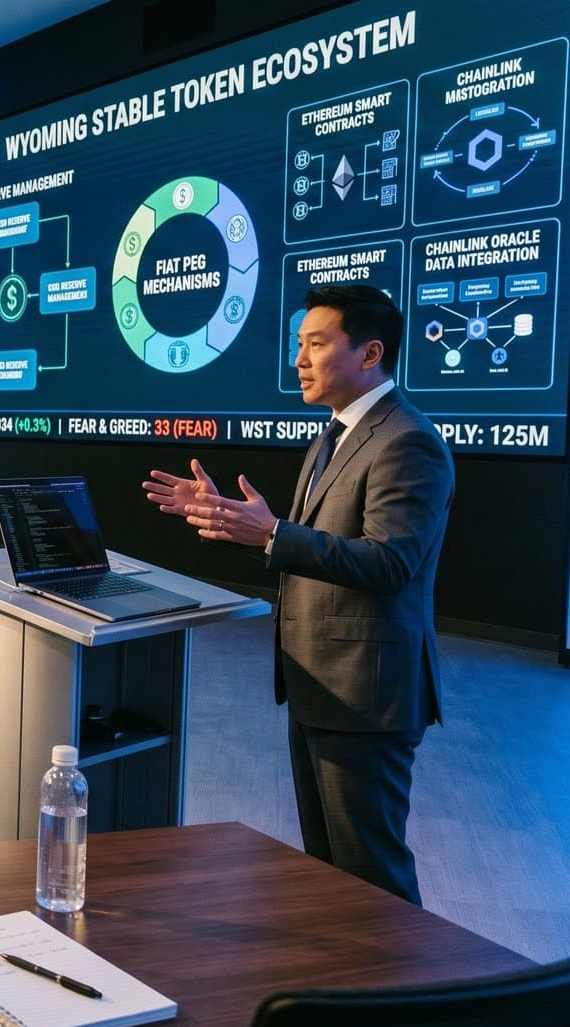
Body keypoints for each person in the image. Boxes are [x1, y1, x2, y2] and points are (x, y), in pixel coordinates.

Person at [142, 285, 453, 905]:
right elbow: (313, 543)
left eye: (315, 344)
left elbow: (391, 563)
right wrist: (240, 522)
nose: (299, 360)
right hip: (318, 683)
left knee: (372, 873)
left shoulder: (406, 441)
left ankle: (406, 994)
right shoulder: (333, 435)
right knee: (329, 868)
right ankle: (347, 994)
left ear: (370, 353)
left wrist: (275, 532)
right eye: (298, 344)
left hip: (365, 694)